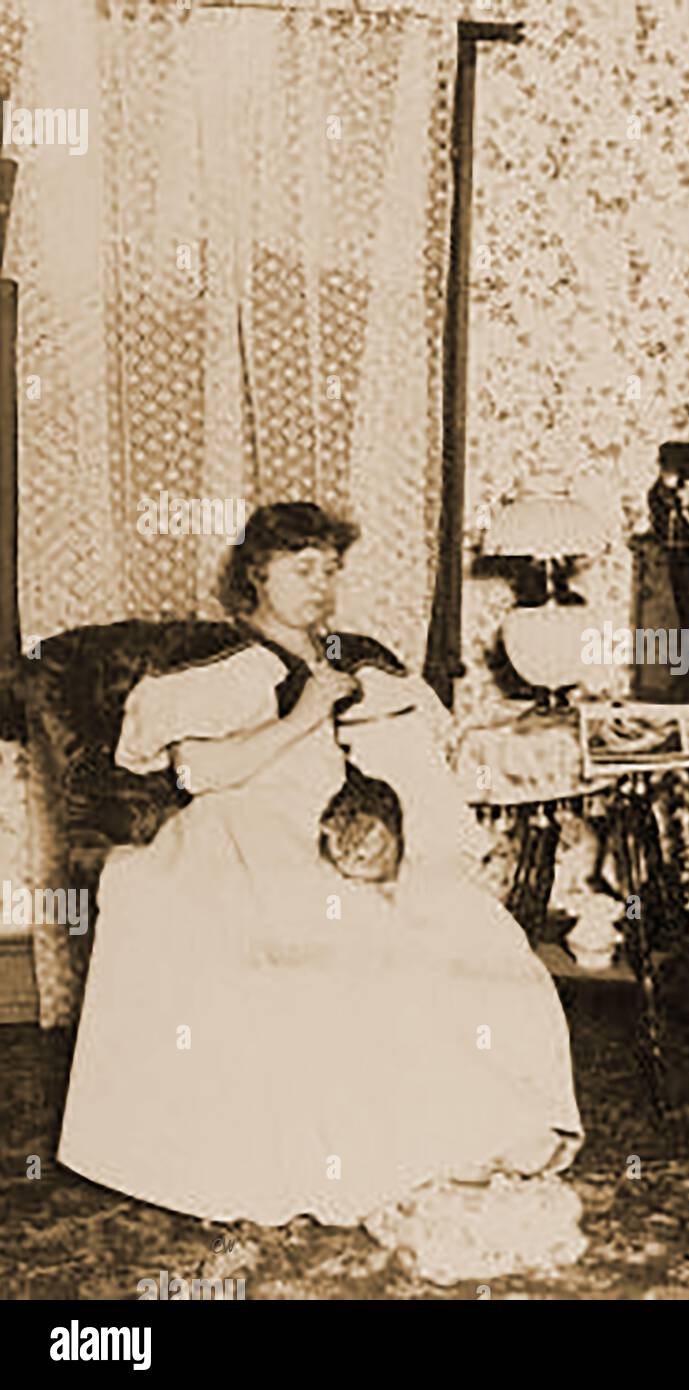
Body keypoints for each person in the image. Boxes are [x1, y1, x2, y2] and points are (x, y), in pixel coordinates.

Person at [58, 502, 585, 1285]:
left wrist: (414, 830)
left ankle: (471, 1123)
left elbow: (403, 766)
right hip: (242, 821)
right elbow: (198, 774)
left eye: (331, 567)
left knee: (465, 928)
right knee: (317, 939)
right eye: (302, 567)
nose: (322, 583)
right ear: (254, 575)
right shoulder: (218, 657)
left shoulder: (354, 657)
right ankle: (343, 1150)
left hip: (342, 825)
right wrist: (305, 714)